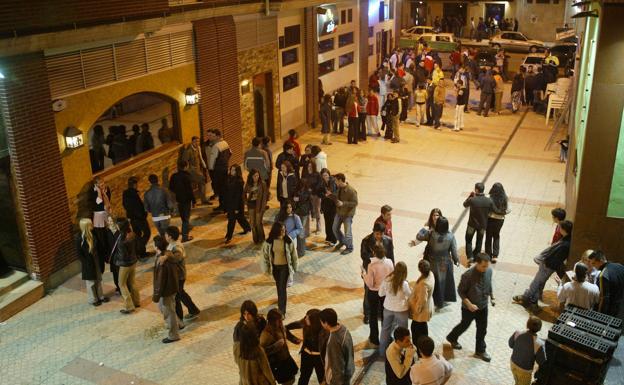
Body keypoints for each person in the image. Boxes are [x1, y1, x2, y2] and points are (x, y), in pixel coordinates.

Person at [513, 220, 573, 312]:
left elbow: (556, 257)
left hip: (548, 265)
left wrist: (545, 263)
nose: (559, 229)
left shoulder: (565, 244)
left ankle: (527, 299)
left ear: (564, 229)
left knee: (537, 282)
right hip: (548, 265)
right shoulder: (566, 239)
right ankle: (530, 300)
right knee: (539, 283)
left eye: (560, 228)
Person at [446, 253, 495, 362]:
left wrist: (492, 296)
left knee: (482, 329)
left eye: (487, 266)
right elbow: (461, 291)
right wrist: (469, 304)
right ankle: (452, 337)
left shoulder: (489, 271)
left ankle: (480, 350)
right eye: (483, 266)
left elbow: (489, 283)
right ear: (477, 263)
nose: (485, 268)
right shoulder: (467, 275)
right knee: (465, 325)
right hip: (469, 308)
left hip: (483, 307)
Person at [416, 217, 459, 309]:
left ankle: (434, 299)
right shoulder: (451, 236)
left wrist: (423, 229)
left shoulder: (431, 234)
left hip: (432, 262)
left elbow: (419, 236)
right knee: (444, 281)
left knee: (433, 280)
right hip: (445, 263)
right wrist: (456, 261)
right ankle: (443, 300)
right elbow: (454, 251)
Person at [262, 222, 298, 316]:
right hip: (275, 268)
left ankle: (282, 311)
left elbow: (294, 255)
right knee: (279, 287)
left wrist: (294, 267)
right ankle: (280, 304)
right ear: (276, 231)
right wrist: (266, 269)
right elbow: (265, 256)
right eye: (281, 230)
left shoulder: (288, 240)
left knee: (282, 288)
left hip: (284, 268)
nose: (283, 232)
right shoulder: (269, 242)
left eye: (284, 230)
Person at [285, 309, 329, 385]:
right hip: (306, 355)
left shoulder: (324, 330)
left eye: (308, 318)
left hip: (319, 358)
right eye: (306, 316)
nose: (305, 319)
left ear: (314, 320)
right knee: (304, 377)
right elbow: (285, 328)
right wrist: (294, 339)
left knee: (322, 379)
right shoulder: (304, 323)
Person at [362, 245, 394, 345]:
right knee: (386, 315)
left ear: (374, 253)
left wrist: (363, 274)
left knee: (373, 315)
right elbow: (392, 277)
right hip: (385, 292)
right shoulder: (389, 262)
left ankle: (374, 338)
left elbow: (370, 283)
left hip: (374, 292)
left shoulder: (371, 266)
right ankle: (386, 338)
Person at [152, 235, 180, 344]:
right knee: (166, 308)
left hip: (167, 290)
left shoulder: (162, 261)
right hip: (172, 287)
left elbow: (160, 280)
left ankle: (174, 335)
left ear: (157, 247)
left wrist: (156, 295)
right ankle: (179, 323)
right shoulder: (167, 255)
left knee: (169, 312)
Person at [379, 261, 412, 355]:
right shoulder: (404, 283)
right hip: (401, 310)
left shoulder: (387, 280)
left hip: (388, 308)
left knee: (385, 329)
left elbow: (380, 293)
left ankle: (382, 351)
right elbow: (409, 295)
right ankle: (401, 352)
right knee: (403, 333)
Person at [260, 309, 299, 385]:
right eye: (279, 321)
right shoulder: (266, 334)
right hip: (278, 364)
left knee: (292, 379)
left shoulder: (280, 327)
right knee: (288, 382)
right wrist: (275, 346)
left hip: (286, 359)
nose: (281, 322)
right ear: (272, 321)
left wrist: (294, 339)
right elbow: (261, 351)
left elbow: (286, 332)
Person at [75, 218, 109, 306]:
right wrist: (86, 263)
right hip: (88, 264)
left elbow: (99, 247)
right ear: (86, 226)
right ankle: (93, 299)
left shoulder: (94, 234)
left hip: (96, 261)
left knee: (98, 279)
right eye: (91, 224)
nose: (93, 225)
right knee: (91, 283)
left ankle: (100, 296)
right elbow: (79, 254)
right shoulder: (79, 238)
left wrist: (103, 257)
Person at [110, 218, 140, 314]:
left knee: (121, 284)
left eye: (117, 225)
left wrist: (116, 260)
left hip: (124, 264)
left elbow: (123, 255)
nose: (116, 226)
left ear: (120, 226)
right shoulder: (132, 234)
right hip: (133, 262)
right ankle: (136, 302)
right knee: (132, 282)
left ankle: (129, 306)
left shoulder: (121, 239)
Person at [319, 308, 355, 385]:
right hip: (348, 370)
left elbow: (337, 366)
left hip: (338, 380)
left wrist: (335, 382)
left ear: (326, 323)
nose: (321, 324)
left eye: (321, 322)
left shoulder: (334, 341)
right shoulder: (344, 329)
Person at [508, 316, 545, 385]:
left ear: (527, 324)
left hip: (513, 363)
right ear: (539, 328)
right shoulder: (539, 344)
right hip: (524, 371)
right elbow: (541, 361)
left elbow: (510, 344)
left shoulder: (517, 333)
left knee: (517, 380)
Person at [463, 182, 494, 263]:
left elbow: (465, 204)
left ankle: (470, 256)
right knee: (479, 240)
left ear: (476, 190)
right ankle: (476, 256)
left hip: (471, 225)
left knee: (468, 240)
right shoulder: (489, 201)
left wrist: (470, 196)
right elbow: (492, 210)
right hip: (482, 225)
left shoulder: (472, 199)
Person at [587, 250, 624, 317]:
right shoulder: (619, 266)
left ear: (600, 261)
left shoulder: (603, 275)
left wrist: (599, 315)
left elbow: (604, 299)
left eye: (594, 263)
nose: (593, 266)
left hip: (613, 310)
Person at [408, 259, 435, 351]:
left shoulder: (424, 283)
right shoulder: (430, 274)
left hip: (422, 311)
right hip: (427, 306)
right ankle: (424, 347)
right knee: (422, 328)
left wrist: (416, 310)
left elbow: (422, 300)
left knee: (416, 330)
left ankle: (420, 349)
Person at [122, 176, 151, 259]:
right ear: (134, 184)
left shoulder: (125, 193)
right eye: (137, 184)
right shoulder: (133, 194)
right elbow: (137, 207)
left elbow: (125, 205)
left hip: (132, 218)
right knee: (147, 233)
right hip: (139, 218)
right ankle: (140, 250)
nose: (137, 185)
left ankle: (140, 252)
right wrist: (143, 215)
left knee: (137, 234)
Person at [224, 164, 252, 244]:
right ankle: (247, 228)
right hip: (230, 203)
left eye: (233, 170)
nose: (231, 171)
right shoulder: (229, 178)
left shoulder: (239, 182)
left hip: (237, 205)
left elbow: (238, 196)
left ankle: (229, 236)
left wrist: (236, 208)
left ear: (237, 172)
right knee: (240, 218)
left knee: (231, 221)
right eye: (231, 170)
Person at [169, 160, 195, 242]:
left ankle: (187, 227)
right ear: (186, 166)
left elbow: (171, 188)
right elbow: (190, 189)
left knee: (183, 217)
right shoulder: (187, 176)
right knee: (186, 218)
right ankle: (185, 237)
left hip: (179, 200)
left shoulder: (173, 176)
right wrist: (193, 200)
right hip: (186, 200)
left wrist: (178, 193)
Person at [332, 173, 358, 255]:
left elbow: (355, 203)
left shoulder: (351, 191)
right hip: (339, 212)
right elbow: (336, 197)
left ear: (340, 180)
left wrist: (343, 203)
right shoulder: (338, 188)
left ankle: (350, 247)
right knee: (335, 228)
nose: (335, 182)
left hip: (347, 215)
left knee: (348, 233)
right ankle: (342, 242)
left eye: (336, 181)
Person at [208, 129, 232, 212]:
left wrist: (211, 170)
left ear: (218, 136)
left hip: (217, 171)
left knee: (220, 189)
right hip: (225, 168)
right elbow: (230, 153)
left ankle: (222, 206)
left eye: (213, 136)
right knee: (224, 188)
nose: (211, 138)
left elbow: (212, 160)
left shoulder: (216, 146)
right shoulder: (225, 143)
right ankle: (226, 205)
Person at [485, 182, 509, 263]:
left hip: (490, 219)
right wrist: (502, 213)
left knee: (488, 236)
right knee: (496, 235)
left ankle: (488, 254)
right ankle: (495, 256)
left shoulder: (488, 197)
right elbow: (509, 209)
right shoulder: (505, 198)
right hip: (500, 220)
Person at [180, 136, 208, 204]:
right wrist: (190, 171)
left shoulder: (198, 148)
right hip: (191, 171)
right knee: (202, 180)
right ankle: (203, 199)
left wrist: (204, 166)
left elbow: (200, 158)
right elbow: (184, 163)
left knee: (200, 182)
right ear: (192, 142)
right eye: (195, 141)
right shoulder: (188, 151)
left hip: (197, 170)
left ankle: (198, 200)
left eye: (198, 141)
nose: (197, 143)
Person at [245, 169, 269, 244]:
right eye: (255, 176)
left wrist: (263, 207)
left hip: (259, 205)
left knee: (258, 223)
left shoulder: (262, 184)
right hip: (251, 205)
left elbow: (265, 197)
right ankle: (255, 239)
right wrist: (246, 202)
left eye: (257, 175)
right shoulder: (248, 184)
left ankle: (261, 238)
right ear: (251, 176)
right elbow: (244, 193)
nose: (256, 177)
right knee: (252, 224)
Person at [92, 177, 112, 261]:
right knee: (102, 237)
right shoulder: (93, 193)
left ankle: (111, 252)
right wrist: (99, 192)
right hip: (98, 217)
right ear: (96, 185)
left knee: (110, 233)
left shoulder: (106, 190)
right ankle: (105, 256)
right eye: (101, 184)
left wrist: (104, 193)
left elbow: (108, 203)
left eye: (103, 183)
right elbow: (99, 202)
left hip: (106, 213)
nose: (103, 185)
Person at [320, 168, 338, 245]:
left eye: (326, 175)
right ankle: (328, 238)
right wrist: (325, 195)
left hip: (333, 206)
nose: (325, 177)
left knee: (332, 223)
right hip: (325, 205)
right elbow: (320, 194)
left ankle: (334, 239)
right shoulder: (322, 183)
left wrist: (328, 194)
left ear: (329, 174)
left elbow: (333, 193)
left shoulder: (333, 182)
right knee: (327, 222)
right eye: (323, 175)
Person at [304, 161, 322, 234]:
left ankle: (318, 228)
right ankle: (306, 229)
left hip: (316, 195)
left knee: (317, 210)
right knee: (307, 211)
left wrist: (313, 189)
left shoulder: (317, 175)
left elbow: (319, 185)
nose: (309, 168)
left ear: (314, 167)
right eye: (308, 166)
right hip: (308, 195)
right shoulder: (306, 174)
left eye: (311, 166)